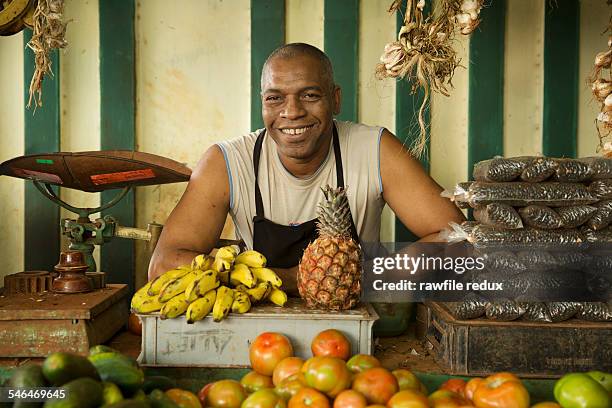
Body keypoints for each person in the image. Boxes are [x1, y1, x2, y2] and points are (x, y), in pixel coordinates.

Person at [148, 43, 465, 293]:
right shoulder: (228, 162)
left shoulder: (373, 150)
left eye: (310, 95)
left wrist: (370, 275)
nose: (292, 112)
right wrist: (290, 279)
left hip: (355, 324)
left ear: (335, 100)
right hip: (260, 331)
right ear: (262, 103)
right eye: (275, 99)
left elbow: (459, 240)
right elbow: (163, 264)